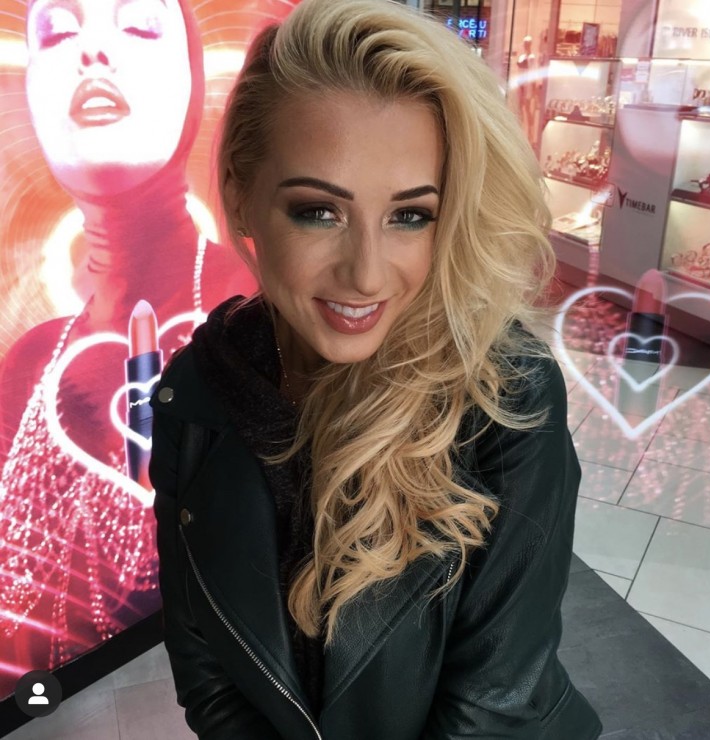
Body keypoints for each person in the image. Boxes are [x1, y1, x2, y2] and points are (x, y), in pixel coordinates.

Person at [149, 0, 603, 738]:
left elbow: (491, 712)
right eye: (318, 211)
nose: (365, 274)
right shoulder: (197, 392)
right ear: (239, 195)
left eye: (409, 215)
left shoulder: (504, 396)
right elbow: (209, 679)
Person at [0, 0, 283, 697]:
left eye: (137, 24)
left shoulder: (265, 310)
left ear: (194, 79)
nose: (92, 53)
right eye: (57, 31)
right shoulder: (29, 364)